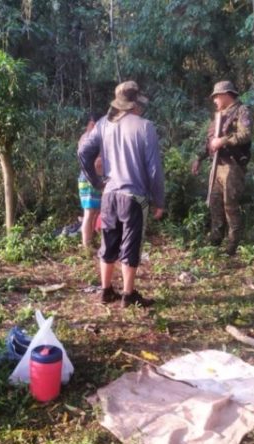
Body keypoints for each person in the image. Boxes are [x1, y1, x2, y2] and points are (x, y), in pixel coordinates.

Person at [78, 81, 165, 308]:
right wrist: (159, 200)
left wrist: (95, 181)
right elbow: (154, 168)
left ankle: (106, 290)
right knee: (130, 244)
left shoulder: (103, 125)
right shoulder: (145, 127)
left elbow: (83, 152)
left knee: (108, 242)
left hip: (109, 195)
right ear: (134, 104)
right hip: (133, 196)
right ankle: (128, 294)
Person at [192, 80, 252, 256]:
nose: (214, 100)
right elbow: (210, 140)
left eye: (216, 96)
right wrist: (199, 157)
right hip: (217, 165)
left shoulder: (242, 111)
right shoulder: (219, 115)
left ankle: (233, 244)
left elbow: (245, 135)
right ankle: (216, 239)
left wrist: (224, 141)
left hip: (232, 165)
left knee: (230, 205)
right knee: (214, 202)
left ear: (226, 94)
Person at [77, 113, 103, 250]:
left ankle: (90, 242)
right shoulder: (90, 138)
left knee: (95, 212)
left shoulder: (86, 137)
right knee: (89, 212)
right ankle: (86, 245)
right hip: (90, 180)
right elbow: (97, 163)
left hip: (91, 179)